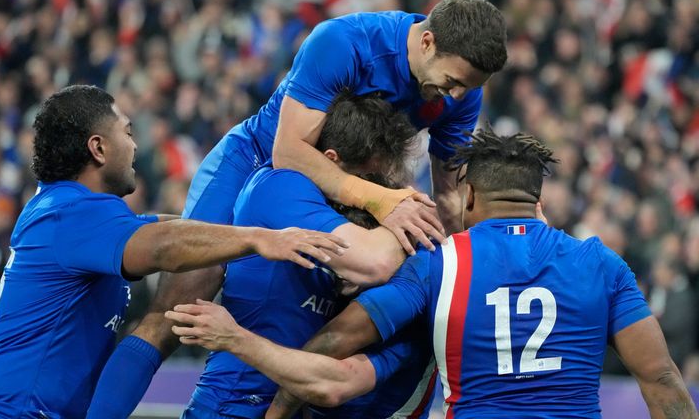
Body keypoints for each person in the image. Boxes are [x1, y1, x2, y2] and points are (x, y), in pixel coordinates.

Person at [92, 0, 508, 416]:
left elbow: (450, 196)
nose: (456, 95)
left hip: (338, 180)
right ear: (427, 42)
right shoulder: (345, 40)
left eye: (467, 88)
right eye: (453, 81)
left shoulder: (462, 94)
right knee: (174, 315)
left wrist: (469, 270)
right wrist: (382, 200)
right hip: (263, 160)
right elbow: (288, 150)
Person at [168, 130, 698, 419]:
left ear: (468, 196)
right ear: (538, 200)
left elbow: (335, 343)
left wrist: (281, 408)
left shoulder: (440, 263)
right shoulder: (602, 264)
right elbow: (664, 383)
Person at [0, 85, 346, 419]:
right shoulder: (70, 212)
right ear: (98, 148)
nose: (135, 144)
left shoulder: (74, 212)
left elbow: (165, 225)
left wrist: (239, 219)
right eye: (127, 132)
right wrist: (259, 238)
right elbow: (164, 246)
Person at [172, 92, 433, 419]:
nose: (378, 194)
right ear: (331, 160)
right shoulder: (282, 185)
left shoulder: (340, 214)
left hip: (294, 401)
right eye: (368, 181)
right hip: (236, 401)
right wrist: (411, 216)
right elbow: (375, 263)